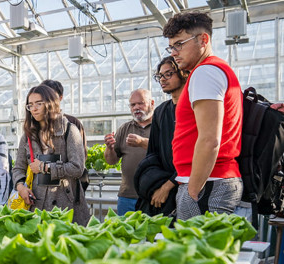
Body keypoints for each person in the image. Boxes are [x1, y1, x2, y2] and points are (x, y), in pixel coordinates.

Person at [163, 12, 243, 220]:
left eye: (179, 44)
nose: (174, 52)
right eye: (171, 46)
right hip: (210, 182)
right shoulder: (213, 70)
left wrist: (192, 190)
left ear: (203, 40)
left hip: (208, 183)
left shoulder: (205, 72)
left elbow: (210, 140)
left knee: (199, 252)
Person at [12, 85, 90, 225]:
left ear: (50, 103)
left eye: (38, 104)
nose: (34, 109)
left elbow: (77, 168)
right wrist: (20, 187)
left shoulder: (69, 130)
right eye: (30, 105)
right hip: (36, 204)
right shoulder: (28, 135)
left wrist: (45, 167)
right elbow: (18, 168)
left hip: (66, 205)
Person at [135, 57, 189, 217]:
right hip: (164, 185)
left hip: (188, 186)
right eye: (160, 76)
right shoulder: (161, 111)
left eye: (168, 74)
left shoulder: (194, 108)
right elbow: (154, 152)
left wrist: (168, 186)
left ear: (183, 74)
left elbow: (195, 155)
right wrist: (156, 184)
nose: (162, 80)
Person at [103, 89, 154, 215]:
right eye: (133, 105)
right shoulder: (125, 128)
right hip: (127, 196)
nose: (136, 107)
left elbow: (169, 152)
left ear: (152, 103)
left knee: (154, 234)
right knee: (125, 233)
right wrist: (109, 148)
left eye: (140, 103)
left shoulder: (160, 125)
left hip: (155, 196)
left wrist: (142, 142)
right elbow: (111, 161)